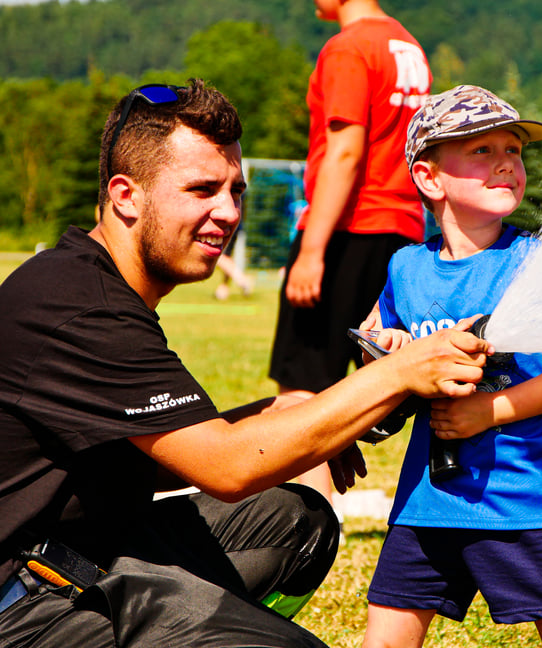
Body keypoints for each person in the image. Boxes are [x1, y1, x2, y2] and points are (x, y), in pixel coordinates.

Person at [0, 80, 490, 648]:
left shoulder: (90, 279)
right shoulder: (81, 306)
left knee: (293, 522)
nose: (228, 213)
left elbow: (127, 457)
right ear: (125, 195)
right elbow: (230, 468)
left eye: (237, 190)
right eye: (202, 189)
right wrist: (397, 372)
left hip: (77, 549)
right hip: (19, 601)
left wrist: (280, 413)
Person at [360, 85, 542, 648]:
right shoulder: (405, 267)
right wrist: (388, 347)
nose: (506, 163)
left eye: (514, 150)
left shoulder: (538, 264)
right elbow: (371, 340)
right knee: (387, 628)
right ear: (429, 178)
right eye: (481, 151)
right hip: (426, 499)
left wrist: (486, 411)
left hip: (522, 500)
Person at [268, 0, 432, 508]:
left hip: (349, 227)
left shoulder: (348, 47)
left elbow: (345, 150)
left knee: (302, 394)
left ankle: (296, 535)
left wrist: (313, 248)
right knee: (363, 389)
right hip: (401, 231)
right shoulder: (409, 47)